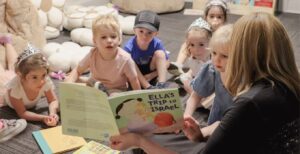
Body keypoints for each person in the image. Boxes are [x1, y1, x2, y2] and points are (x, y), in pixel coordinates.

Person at [109, 12, 300, 154]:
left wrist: (138, 141)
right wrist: (201, 134)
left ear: (244, 53)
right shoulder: (289, 84)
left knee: (149, 143)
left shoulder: (250, 102)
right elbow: (238, 125)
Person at [65, 14, 141, 95]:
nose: (109, 40)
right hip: (95, 85)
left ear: (119, 39)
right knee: (68, 80)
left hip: (115, 89)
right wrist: (69, 83)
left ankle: (87, 83)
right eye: (103, 37)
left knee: (113, 97)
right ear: (95, 41)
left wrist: (140, 99)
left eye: (113, 36)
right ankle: (86, 81)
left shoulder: (125, 59)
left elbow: (134, 79)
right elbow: (78, 70)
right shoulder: (93, 54)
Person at [184, 24, 233, 127]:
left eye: (224, 56)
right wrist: (187, 116)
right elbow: (194, 96)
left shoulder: (246, 74)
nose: (216, 60)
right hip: (218, 118)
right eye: (214, 53)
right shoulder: (211, 68)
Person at [1, 43, 59, 127]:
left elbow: (53, 100)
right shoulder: (15, 89)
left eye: (43, 75)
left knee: (13, 64)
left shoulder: (44, 80)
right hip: (6, 84)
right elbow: (22, 113)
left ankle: (7, 42)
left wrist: (53, 113)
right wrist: (42, 118)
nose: (41, 81)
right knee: (4, 71)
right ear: (21, 76)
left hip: (20, 75)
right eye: (34, 77)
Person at [168, 0, 227, 76]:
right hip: (199, 57)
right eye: (212, 16)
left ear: (224, 19)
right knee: (187, 44)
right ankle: (178, 64)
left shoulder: (224, 32)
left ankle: (190, 74)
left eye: (219, 17)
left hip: (212, 60)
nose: (215, 20)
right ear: (206, 17)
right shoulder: (203, 29)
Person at [123, 10, 170, 89]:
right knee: (129, 60)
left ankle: (161, 85)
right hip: (135, 75)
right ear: (134, 30)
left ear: (156, 33)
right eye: (141, 31)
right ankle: (148, 87)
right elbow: (126, 68)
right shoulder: (129, 47)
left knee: (160, 54)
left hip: (150, 72)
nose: (144, 36)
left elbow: (167, 62)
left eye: (149, 32)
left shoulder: (157, 43)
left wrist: (152, 75)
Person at [173, 17, 212, 94]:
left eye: (201, 44)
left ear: (210, 42)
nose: (196, 49)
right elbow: (194, 69)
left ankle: (195, 93)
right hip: (197, 78)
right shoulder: (192, 55)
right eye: (192, 45)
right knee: (185, 79)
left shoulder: (213, 58)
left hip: (210, 82)